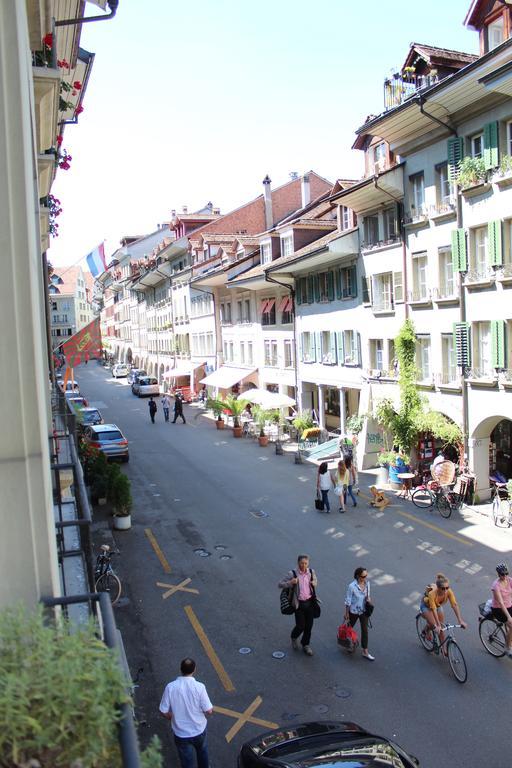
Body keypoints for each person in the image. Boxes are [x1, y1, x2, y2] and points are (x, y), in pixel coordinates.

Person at [159, 657, 213, 768]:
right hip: (199, 730)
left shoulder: (170, 687)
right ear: (194, 669)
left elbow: (163, 710)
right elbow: (209, 710)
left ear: (181, 669)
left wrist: (171, 717)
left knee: (187, 762)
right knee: (202, 754)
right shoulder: (200, 687)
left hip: (181, 733)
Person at [278, 554, 318, 656]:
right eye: (302, 563)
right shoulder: (292, 573)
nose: (304, 565)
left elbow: (316, 581)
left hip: (309, 603)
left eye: (306, 563)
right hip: (298, 604)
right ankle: (294, 637)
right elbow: (280, 584)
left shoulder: (311, 572)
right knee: (301, 625)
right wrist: (291, 582)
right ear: (298, 563)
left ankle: (306, 645)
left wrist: (314, 582)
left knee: (309, 626)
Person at [419, 572, 467, 649]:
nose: (445, 590)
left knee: (441, 629)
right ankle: (426, 631)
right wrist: (437, 625)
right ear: (438, 588)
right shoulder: (432, 594)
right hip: (427, 607)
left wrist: (460, 620)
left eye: (447, 588)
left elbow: (454, 605)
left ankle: (444, 650)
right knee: (434, 624)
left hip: (437, 606)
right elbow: (433, 609)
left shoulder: (449, 591)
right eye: (443, 588)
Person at [344, 566, 375, 661]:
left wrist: (369, 599)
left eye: (366, 576)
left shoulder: (367, 584)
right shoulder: (352, 586)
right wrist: (347, 613)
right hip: (353, 611)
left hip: (363, 610)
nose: (365, 578)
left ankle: (365, 651)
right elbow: (348, 600)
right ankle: (353, 642)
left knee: (365, 630)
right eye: (363, 576)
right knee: (348, 629)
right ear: (358, 576)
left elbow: (368, 596)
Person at [491, 563, 512, 657]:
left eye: (506, 573)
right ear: (498, 574)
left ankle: (509, 638)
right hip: (499, 609)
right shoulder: (496, 585)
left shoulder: (509, 580)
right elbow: (501, 603)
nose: (505, 576)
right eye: (503, 574)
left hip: (509, 605)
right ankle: (507, 648)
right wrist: (508, 617)